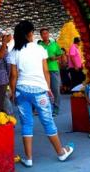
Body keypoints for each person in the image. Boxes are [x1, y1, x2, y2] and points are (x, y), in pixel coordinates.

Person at [8, 20, 74, 167]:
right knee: (48, 121)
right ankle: (61, 153)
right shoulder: (39, 49)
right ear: (30, 33)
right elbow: (45, 71)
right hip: (39, 91)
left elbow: (13, 75)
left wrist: (12, 92)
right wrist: (48, 88)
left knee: (26, 123)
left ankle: (29, 158)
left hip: (21, 91)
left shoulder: (15, 51)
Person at [39, 28, 63, 116]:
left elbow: (60, 54)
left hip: (53, 69)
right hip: (42, 70)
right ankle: (44, 108)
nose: (45, 35)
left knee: (55, 89)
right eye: (43, 34)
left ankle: (56, 108)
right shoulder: (39, 46)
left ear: (49, 34)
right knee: (43, 90)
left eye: (46, 33)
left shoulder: (55, 44)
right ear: (41, 36)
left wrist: (55, 58)